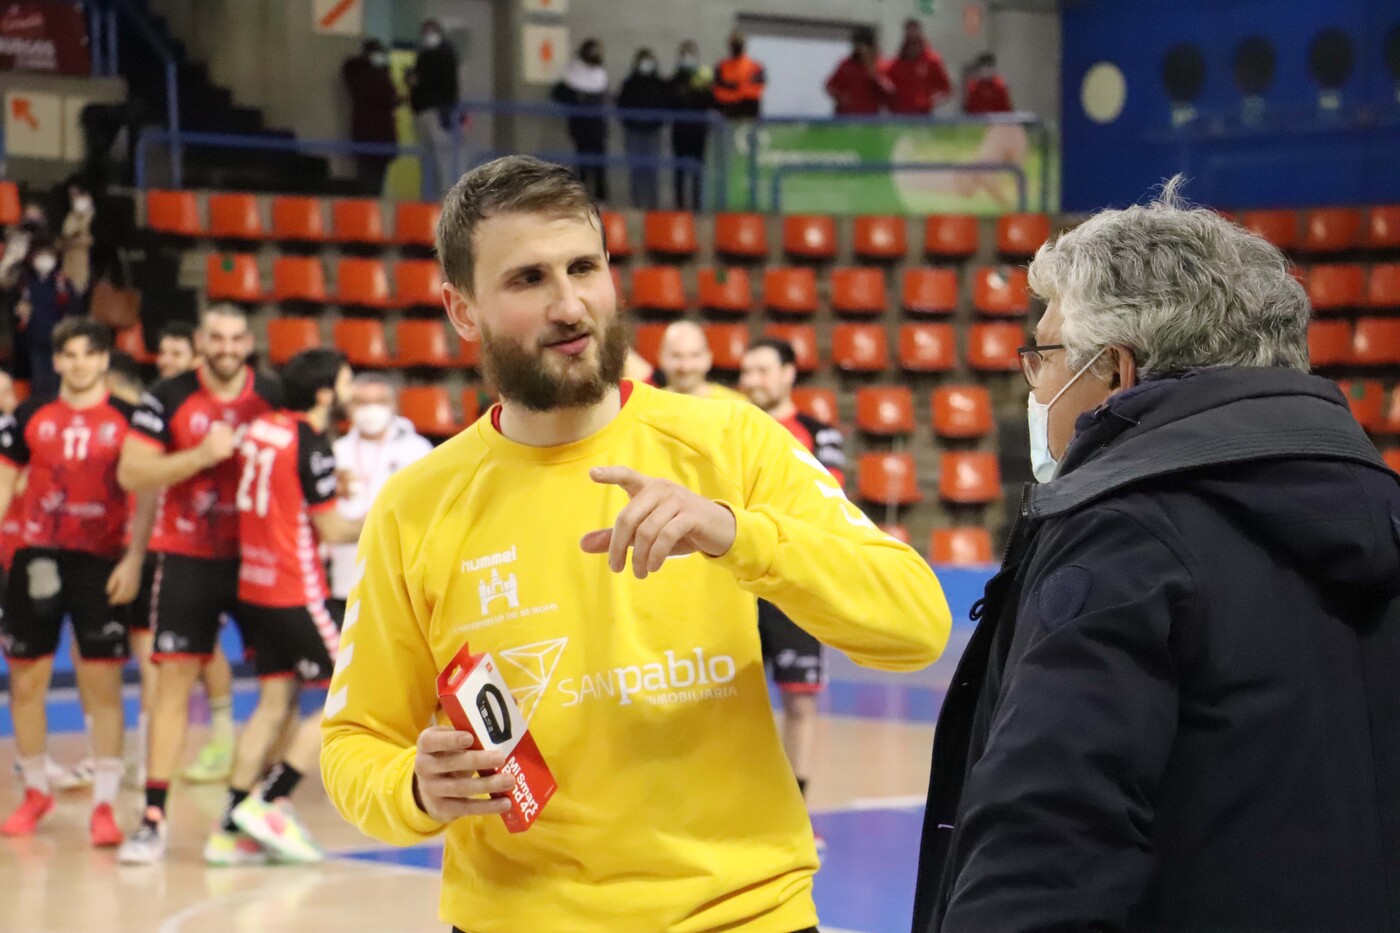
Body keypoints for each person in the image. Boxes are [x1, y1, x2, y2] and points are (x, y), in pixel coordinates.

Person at [321, 155, 950, 933]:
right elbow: (355, 742)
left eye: (584, 268)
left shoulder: (728, 440)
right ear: (462, 309)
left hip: (744, 914)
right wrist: (413, 787)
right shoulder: (415, 506)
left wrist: (737, 533)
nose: (569, 305)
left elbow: (918, 623)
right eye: (528, 279)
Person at [911, 179, 1400, 933]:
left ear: (1116, 370)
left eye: (1042, 354)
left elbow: (1044, 851)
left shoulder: (1123, 534)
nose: (1033, 382)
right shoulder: (1383, 507)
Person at [115, 304, 281, 864]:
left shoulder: (272, 393)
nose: (227, 347)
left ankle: (250, 812)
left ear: (248, 343)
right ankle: (153, 818)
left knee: (279, 686)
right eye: (217, 337)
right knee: (173, 685)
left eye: (236, 338)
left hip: (258, 558)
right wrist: (198, 457)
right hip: (188, 555)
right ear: (202, 341)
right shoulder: (168, 395)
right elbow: (132, 472)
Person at [205, 348, 362, 866]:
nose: (350, 391)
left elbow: (281, 490)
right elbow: (332, 529)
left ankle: (229, 829)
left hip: (254, 586)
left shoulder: (260, 429)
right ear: (324, 393)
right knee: (349, 693)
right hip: (297, 589)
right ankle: (270, 799)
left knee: (273, 705)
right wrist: (389, 519)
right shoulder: (310, 441)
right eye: (346, 381)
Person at [0, 318, 144, 847]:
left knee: (101, 682)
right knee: (26, 680)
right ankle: (36, 791)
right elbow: (4, 481)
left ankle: (104, 804)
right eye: (70, 355)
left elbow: (147, 494)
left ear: (104, 360)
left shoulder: (129, 418)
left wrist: (134, 559)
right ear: (57, 360)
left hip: (101, 560)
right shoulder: (30, 414)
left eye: (89, 354)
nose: (79, 364)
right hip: (36, 557)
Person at [739, 338, 846, 832]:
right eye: (746, 371)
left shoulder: (819, 434)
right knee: (728, 701)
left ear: (788, 374)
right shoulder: (729, 428)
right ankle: (741, 809)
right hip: (735, 586)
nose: (752, 380)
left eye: (762, 370)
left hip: (793, 585)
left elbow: (825, 501)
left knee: (801, 700)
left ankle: (795, 813)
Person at [327, 374, 432, 624]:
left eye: (379, 401)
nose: (370, 409)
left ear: (393, 405)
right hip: (347, 574)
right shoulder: (335, 452)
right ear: (349, 407)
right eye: (362, 402)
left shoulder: (417, 450)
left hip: (400, 575)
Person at [954, 53, 1025, 207]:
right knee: (984, 172)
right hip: (987, 132)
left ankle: (1020, 204)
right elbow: (968, 110)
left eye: (989, 66)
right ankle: (1006, 204)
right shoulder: (973, 86)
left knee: (1014, 170)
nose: (986, 70)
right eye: (983, 67)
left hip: (1004, 131)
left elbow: (1007, 111)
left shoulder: (1000, 85)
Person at [15, 240, 79, 397]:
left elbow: (74, 308)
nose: (44, 259)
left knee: (59, 381)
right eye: (40, 255)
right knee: (39, 382)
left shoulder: (62, 283)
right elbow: (14, 308)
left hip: (58, 340)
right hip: (33, 340)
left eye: (49, 255)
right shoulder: (23, 282)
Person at [552, 39, 610, 202]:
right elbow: (558, 93)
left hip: (597, 125)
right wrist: (575, 100)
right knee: (583, 161)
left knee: (599, 163)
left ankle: (601, 197)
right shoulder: (573, 72)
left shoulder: (600, 72)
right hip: (580, 125)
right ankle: (583, 197)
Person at [408, 20, 461, 197]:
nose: (428, 36)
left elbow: (444, 82)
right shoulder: (423, 54)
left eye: (431, 31)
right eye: (426, 32)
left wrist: (419, 80)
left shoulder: (445, 54)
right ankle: (429, 194)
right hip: (422, 109)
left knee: (441, 155)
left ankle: (445, 195)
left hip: (438, 110)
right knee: (427, 155)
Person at [343, 39, 401, 197]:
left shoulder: (379, 75)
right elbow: (385, 96)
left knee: (373, 180)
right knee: (368, 181)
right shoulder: (362, 75)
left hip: (379, 136)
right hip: (370, 136)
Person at [617, 48, 669, 210]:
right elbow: (621, 107)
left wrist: (655, 121)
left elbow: (665, 106)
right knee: (636, 171)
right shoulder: (629, 83)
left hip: (653, 131)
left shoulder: (659, 84)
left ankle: (653, 206)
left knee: (652, 171)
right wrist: (634, 120)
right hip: (634, 132)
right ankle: (637, 204)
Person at [667, 40, 713, 210]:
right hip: (680, 131)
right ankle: (679, 205)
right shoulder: (674, 80)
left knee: (697, 171)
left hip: (698, 131)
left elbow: (710, 102)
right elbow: (669, 102)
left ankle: (697, 205)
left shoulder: (702, 80)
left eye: (691, 54)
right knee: (679, 170)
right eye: (685, 54)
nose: (688, 58)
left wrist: (702, 89)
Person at [657, 320, 746, 402]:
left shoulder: (736, 405)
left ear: (708, 357)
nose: (685, 367)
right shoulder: (651, 405)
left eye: (695, 356)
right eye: (676, 356)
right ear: (661, 357)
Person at [886, 19, 952, 115]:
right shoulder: (895, 64)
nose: (912, 35)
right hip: (900, 115)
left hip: (922, 116)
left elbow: (946, 89)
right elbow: (886, 89)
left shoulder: (932, 61)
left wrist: (929, 102)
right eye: (909, 32)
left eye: (915, 32)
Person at [825, 26, 892, 116]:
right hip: (845, 116)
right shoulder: (846, 64)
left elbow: (889, 91)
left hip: (869, 117)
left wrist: (871, 70)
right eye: (857, 45)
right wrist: (840, 97)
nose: (860, 49)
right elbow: (830, 86)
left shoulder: (882, 65)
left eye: (864, 46)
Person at [713, 31, 765, 120]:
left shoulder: (755, 66)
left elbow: (758, 88)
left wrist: (735, 89)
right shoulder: (722, 66)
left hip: (747, 109)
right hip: (728, 109)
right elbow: (717, 89)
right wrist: (741, 90)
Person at [60, 183, 95, 298]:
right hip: (71, 266)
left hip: (89, 267)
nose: (76, 199)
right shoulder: (71, 216)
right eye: (73, 197)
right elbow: (65, 236)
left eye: (79, 195)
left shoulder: (95, 218)